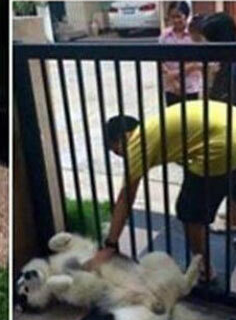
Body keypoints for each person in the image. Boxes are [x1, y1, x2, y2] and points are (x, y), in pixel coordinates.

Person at [90, 103, 236, 281]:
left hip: (224, 145)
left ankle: (204, 267)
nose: (122, 156)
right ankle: (233, 223)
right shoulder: (155, 128)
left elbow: (125, 199)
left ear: (122, 138)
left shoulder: (137, 144)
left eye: (116, 151)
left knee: (190, 212)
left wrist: (110, 245)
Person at [159, 1, 202, 106]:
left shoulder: (194, 35)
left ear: (186, 16)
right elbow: (160, 59)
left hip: (190, 86)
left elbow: (198, 62)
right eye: (172, 17)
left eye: (178, 16)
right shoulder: (165, 35)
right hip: (171, 87)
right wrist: (172, 80)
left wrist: (175, 74)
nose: (175, 20)